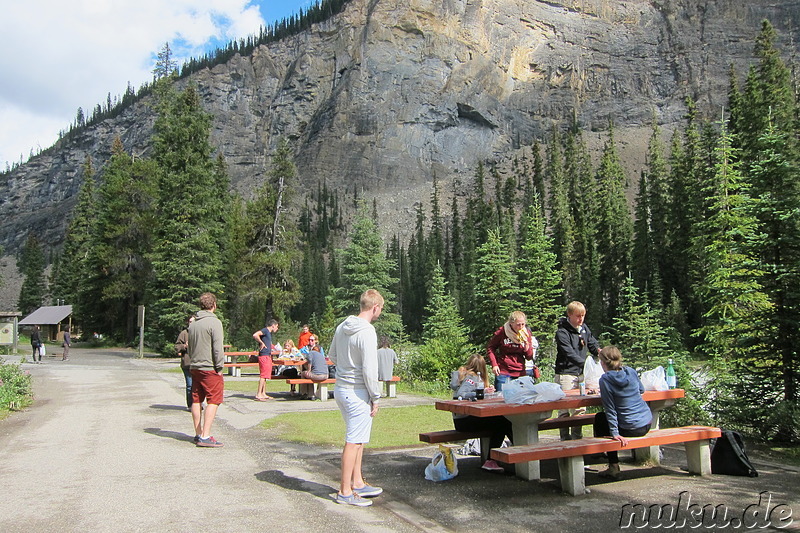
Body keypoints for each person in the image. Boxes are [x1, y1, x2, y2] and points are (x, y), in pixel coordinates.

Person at [329, 289, 384, 506]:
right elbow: (370, 369)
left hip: (341, 389)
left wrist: (346, 366)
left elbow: (332, 355)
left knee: (358, 438)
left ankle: (358, 482)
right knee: (353, 441)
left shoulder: (342, 326)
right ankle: (344, 491)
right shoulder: (367, 331)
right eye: (380, 309)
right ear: (375, 308)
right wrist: (376, 396)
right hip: (358, 391)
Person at [593, 345, 652, 480]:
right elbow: (641, 390)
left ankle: (613, 466)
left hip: (629, 428)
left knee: (600, 418)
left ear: (602, 363)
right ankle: (608, 459)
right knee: (605, 418)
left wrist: (614, 433)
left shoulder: (605, 380)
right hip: (646, 423)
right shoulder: (630, 371)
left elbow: (610, 409)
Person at [450, 353, 512, 473]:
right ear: (482, 366)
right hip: (465, 421)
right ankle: (492, 460)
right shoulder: (472, 377)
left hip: (462, 420)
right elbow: (461, 394)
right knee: (502, 422)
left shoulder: (466, 376)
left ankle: (513, 452)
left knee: (501, 421)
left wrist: (484, 392)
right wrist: (481, 393)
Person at [554, 301, 601, 440]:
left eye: (583, 316)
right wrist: (586, 364)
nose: (581, 319)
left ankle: (577, 439)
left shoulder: (584, 328)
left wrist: (601, 353)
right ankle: (564, 439)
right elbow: (569, 353)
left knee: (580, 408)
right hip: (566, 374)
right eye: (578, 316)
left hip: (582, 374)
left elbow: (592, 344)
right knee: (564, 408)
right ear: (569, 315)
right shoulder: (562, 332)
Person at [188, 292, 225, 447]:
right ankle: (206, 435)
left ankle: (198, 433)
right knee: (214, 399)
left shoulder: (193, 323)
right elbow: (218, 348)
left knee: (196, 399)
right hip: (209, 367)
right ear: (214, 305)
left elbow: (190, 346)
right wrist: (220, 366)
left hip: (195, 366)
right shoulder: (214, 323)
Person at [487, 311, 537, 391]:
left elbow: (529, 357)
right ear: (511, 323)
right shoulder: (502, 332)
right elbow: (491, 348)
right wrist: (494, 364)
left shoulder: (526, 333)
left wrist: (527, 347)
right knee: (502, 399)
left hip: (520, 372)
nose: (521, 327)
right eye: (518, 324)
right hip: (504, 372)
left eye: (523, 324)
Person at [253, 319, 280, 401]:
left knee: (265, 376)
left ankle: (263, 393)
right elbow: (255, 335)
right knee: (263, 375)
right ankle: (258, 394)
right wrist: (261, 343)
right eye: (277, 326)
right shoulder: (265, 330)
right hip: (264, 355)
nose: (277, 328)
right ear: (273, 325)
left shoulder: (268, 333)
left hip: (267, 355)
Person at [174, 316, 195, 409]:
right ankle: (190, 405)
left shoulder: (199, 332)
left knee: (198, 386)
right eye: (190, 321)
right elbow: (177, 347)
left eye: (193, 321)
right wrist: (184, 346)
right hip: (187, 364)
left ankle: (198, 404)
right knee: (190, 385)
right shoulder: (184, 333)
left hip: (198, 364)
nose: (191, 323)